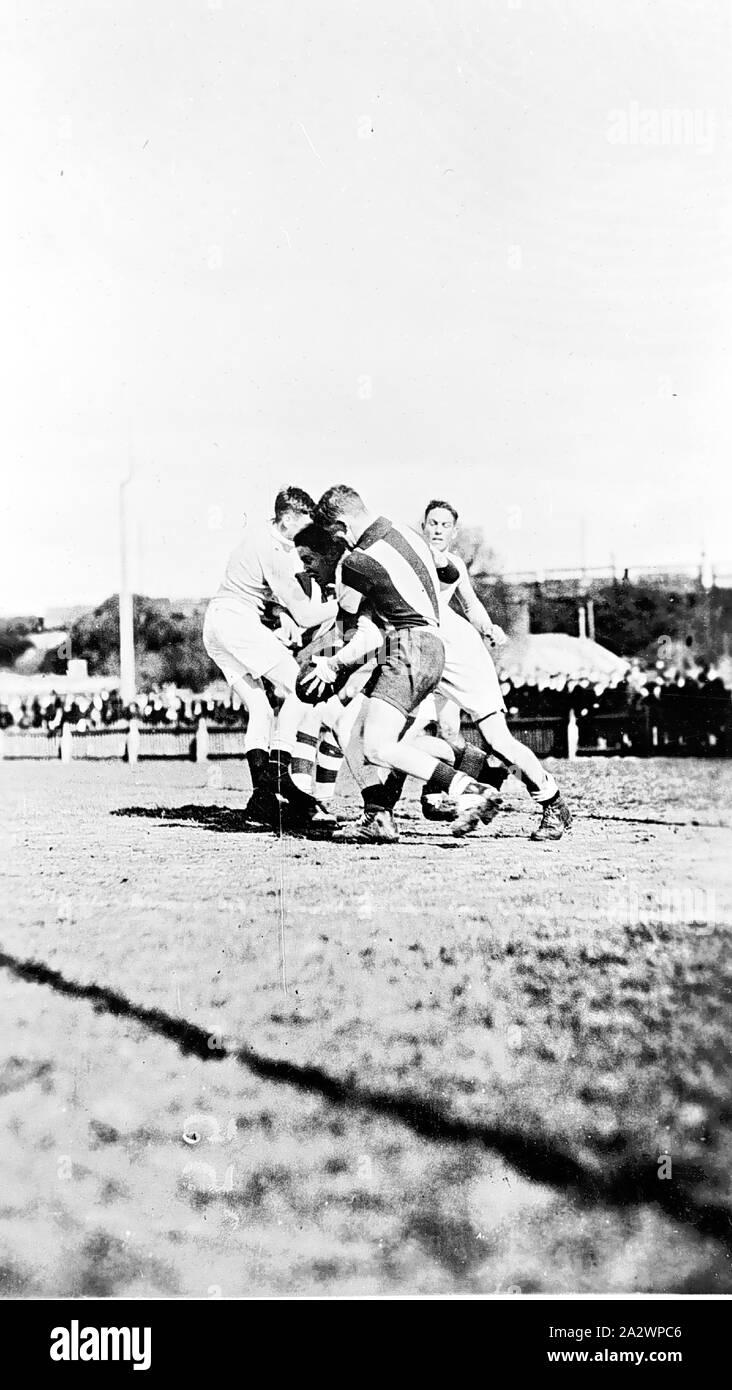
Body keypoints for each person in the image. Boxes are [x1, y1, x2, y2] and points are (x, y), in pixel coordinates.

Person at [304, 485, 495, 843]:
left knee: (375, 746)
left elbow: (362, 634)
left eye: (334, 533)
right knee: (356, 731)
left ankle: (468, 788)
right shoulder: (409, 533)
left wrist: (331, 665)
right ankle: (378, 816)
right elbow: (449, 574)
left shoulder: (358, 563)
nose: (338, 540)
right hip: (434, 647)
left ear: (342, 523)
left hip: (407, 647)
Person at [202, 487, 338, 827]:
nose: (308, 531)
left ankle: (262, 799)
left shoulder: (264, 536)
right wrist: (345, 604)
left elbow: (272, 595)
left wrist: (284, 615)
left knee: (261, 709)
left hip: (217, 622)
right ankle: (283, 782)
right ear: (288, 518)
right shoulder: (274, 551)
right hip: (237, 621)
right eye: (305, 523)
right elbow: (308, 615)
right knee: (303, 688)